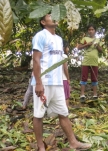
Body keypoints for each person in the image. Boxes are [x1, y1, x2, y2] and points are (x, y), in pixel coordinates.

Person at [31, 14, 91, 151]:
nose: (55, 18)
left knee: (63, 113)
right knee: (39, 114)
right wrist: (39, 82)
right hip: (44, 81)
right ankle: (40, 146)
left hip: (57, 82)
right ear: (43, 22)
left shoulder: (58, 39)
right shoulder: (40, 36)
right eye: (50, 17)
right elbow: (36, 60)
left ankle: (73, 142)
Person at [77, 24, 103, 102]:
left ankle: (95, 95)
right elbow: (78, 47)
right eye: (89, 30)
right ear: (88, 31)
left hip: (94, 61)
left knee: (94, 78)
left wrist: (97, 45)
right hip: (86, 60)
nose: (91, 31)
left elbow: (101, 50)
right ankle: (82, 94)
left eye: (92, 29)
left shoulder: (98, 40)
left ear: (95, 31)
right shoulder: (85, 38)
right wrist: (87, 44)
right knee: (84, 77)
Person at [62, 40, 71, 108]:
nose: (68, 49)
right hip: (63, 79)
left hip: (57, 80)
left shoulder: (55, 56)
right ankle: (66, 111)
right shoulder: (64, 56)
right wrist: (68, 78)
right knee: (66, 96)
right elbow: (65, 69)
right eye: (67, 47)